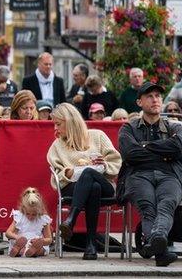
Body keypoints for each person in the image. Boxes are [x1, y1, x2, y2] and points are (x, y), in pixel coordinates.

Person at [118, 82, 182, 267]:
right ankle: (160, 247)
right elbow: (130, 154)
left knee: (166, 205)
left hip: (170, 175)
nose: (155, 99)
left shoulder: (175, 127)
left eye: (158, 96)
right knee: (148, 208)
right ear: (139, 102)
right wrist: (163, 154)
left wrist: (145, 146)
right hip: (138, 175)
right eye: (150, 96)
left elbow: (178, 147)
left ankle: (158, 244)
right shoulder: (128, 128)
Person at [47, 103, 122, 259]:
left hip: (105, 184)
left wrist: (104, 164)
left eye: (58, 124)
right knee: (92, 187)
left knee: (89, 173)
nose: (55, 128)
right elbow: (56, 177)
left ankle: (71, 219)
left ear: (70, 121)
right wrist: (68, 173)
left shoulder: (98, 135)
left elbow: (116, 162)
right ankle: (91, 245)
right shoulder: (57, 146)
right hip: (72, 186)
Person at [4, 187, 53, 257]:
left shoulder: (43, 219)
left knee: (41, 250)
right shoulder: (19, 216)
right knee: (20, 245)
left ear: (39, 210)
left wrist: (42, 241)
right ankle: (19, 249)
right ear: (23, 209)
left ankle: (33, 251)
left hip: (35, 242)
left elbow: (49, 239)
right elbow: (8, 233)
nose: (30, 217)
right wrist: (17, 237)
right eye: (27, 214)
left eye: (34, 214)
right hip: (21, 240)